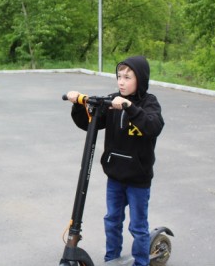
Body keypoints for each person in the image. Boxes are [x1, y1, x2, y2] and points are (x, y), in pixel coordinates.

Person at [65, 56, 164, 266]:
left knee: (137, 226)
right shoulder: (111, 101)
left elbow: (153, 126)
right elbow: (88, 122)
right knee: (112, 221)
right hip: (115, 176)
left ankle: (141, 262)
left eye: (128, 77)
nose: (121, 82)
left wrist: (129, 107)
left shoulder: (149, 103)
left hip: (138, 178)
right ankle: (112, 259)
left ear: (141, 80)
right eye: (119, 76)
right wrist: (78, 104)